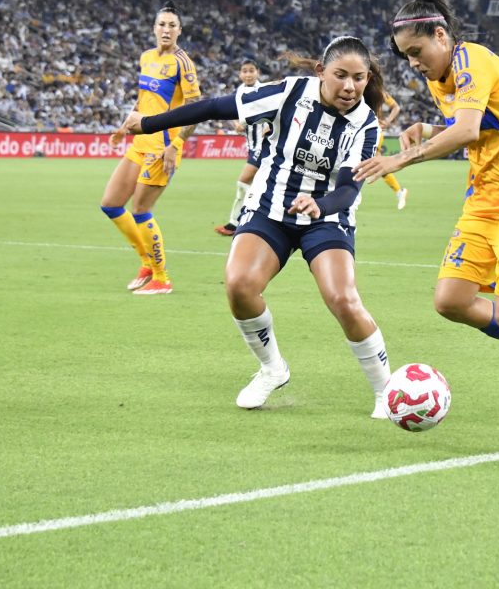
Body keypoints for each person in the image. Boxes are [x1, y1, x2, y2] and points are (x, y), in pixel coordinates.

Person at [113, 36, 393, 419]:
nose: (349, 86)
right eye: (341, 75)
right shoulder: (290, 93)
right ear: (320, 72)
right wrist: (146, 124)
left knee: (343, 298)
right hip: (269, 208)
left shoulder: (366, 125)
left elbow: (347, 190)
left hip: (327, 217)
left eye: (359, 78)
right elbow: (214, 106)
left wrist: (319, 204)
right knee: (239, 285)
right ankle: (272, 368)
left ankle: (385, 392)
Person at [354, 0, 499, 442]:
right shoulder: (439, 78)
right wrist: (430, 128)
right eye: (405, 57)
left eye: (417, 51)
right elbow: (475, 130)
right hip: (483, 200)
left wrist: (399, 160)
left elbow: (468, 127)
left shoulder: (474, 61)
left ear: (441, 34)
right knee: (450, 300)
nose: (413, 63)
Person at [99, 1, 200, 295]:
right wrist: (123, 127)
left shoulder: (183, 62)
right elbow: (143, 100)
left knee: (141, 209)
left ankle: (162, 278)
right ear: (154, 28)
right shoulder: (146, 57)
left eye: (172, 25)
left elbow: (196, 109)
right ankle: (146, 263)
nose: (166, 30)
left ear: (179, 31)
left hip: (164, 145)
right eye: (162, 24)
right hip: (140, 141)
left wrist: (177, 144)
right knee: (110, 203)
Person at [214, 59, 272, 236]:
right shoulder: (239, 92)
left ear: (258, 73)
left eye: (251, 71)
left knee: (243, 181)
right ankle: (241, 221)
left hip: (265, 146)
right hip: (252, 146)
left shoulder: (264, 91)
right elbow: (235, 114)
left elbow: (274, 112)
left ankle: (242, 220)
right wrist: (236, 124)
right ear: (240, 74)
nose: (248, 74)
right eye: (244, 71)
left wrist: (269, 126)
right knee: (256, 184)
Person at [376, 90, 409, 210]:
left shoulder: (379, 92)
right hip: (358, 130)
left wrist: (387, 121)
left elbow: (396, 107)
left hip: (374, 130)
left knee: (376, 162)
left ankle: (399, 191)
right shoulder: (357, 86)